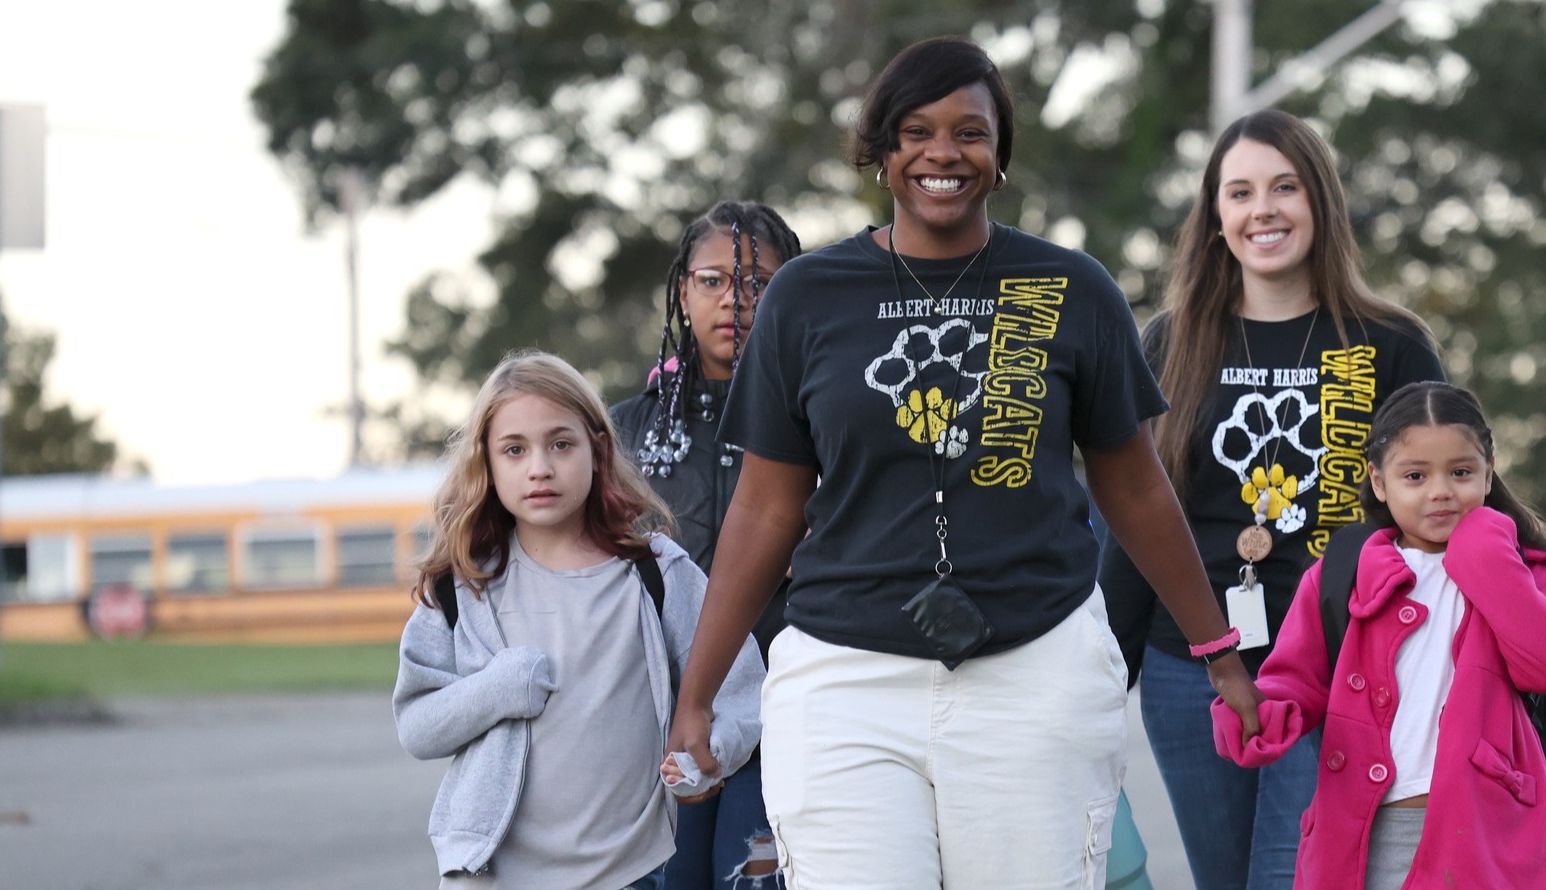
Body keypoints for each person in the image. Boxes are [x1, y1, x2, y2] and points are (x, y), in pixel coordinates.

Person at [666, 36, 1261, 889]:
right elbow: (765, 508)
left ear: (1000, 155)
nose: (942, 153)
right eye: (915, 131)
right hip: (846, 679)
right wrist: (699, 696)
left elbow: (1134, 486)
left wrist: (1220, 652)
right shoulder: (807, 295)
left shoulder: (1069, 288)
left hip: (1034, 670)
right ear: (881, 151)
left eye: (969, 132)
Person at [1097, 108, 1445, 890]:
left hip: (1337, 669)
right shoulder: (1171, 342)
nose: (1264, 209)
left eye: (1285, 187)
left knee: (1296, 876)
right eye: (1241, 192)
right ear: (1216, 217)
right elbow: (1131, 519)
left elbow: (1444, 510)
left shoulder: (1391, 344)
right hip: (1190, 669)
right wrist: (1098, 687)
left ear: (1319, 202)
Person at [393, 350, 767, 889]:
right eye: (515, 450)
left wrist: (709, 758)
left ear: (597, 449)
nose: (539, 466)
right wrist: (496, 689)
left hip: (631, 871)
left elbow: (742, 691)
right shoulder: (463, 585)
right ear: (487, 463)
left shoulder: (655, 571)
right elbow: (417, 726)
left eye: (560, 444)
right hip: (493, 875)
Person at [1211, 380, 1546, 889]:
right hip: (1373, 833)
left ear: (1488, 470)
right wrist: (1262, 715)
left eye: (1461, 472)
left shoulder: (1526, 566)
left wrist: (1482, 546)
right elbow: (1297, 680)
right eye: (1415, 475)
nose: (1440, 491)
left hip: (1489, 833)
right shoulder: (1338, 574)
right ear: (1380, 481)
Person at [611, 201, 802, 890]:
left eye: (760, 282)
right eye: (715, 280)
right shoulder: (621, 434)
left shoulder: (825, 416)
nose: (737, 301)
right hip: (657, 725)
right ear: (683, 291)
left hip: (787, 711)